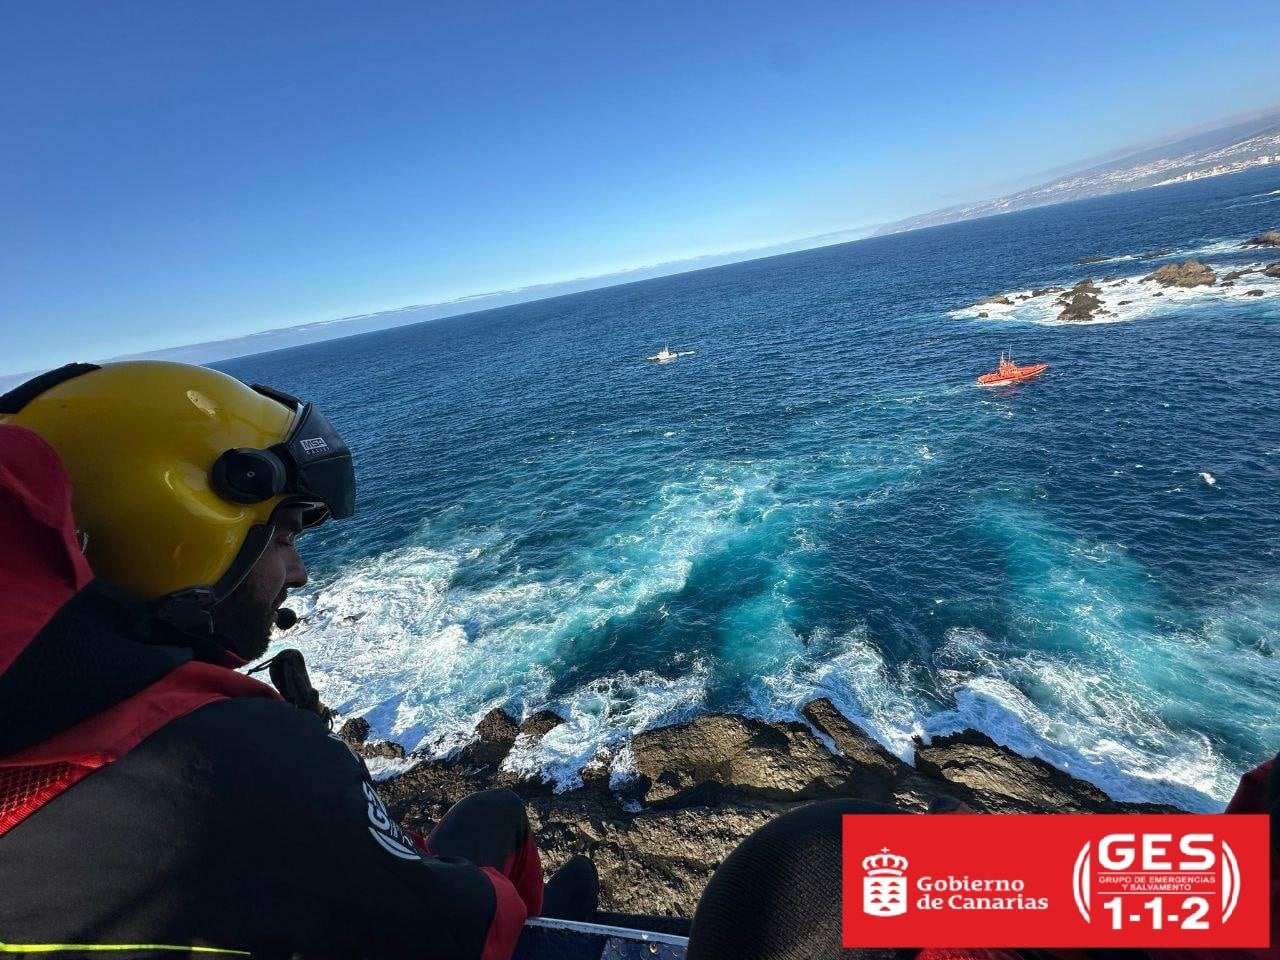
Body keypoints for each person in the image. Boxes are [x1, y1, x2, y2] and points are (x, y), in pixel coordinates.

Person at [0, 360, 593, 959]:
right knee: (503, 824)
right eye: (282, 538)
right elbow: (453, 930)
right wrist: (310, 764)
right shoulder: (223, 760)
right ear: (173, 531)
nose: (300, 573)